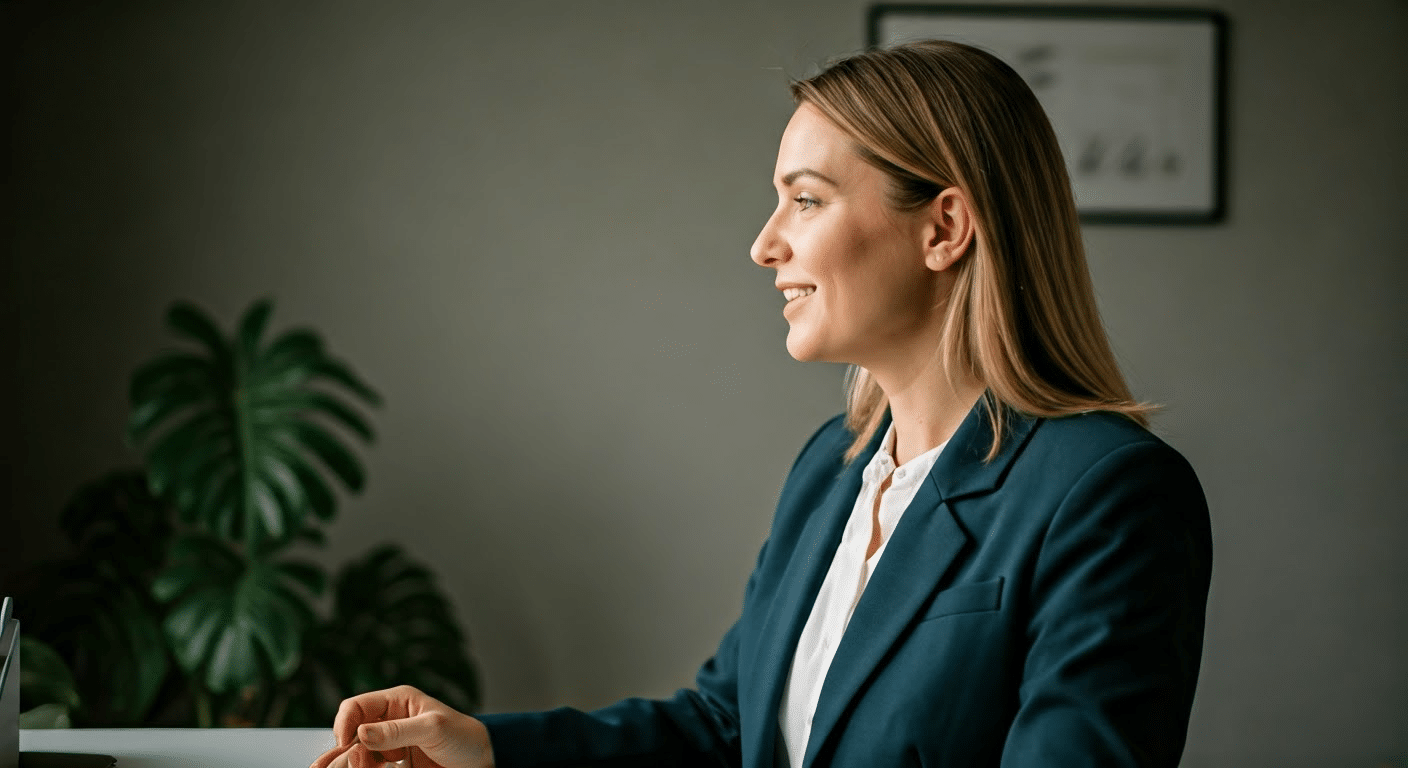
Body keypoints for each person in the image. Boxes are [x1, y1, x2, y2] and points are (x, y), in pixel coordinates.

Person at [310, 39, 1212, 768]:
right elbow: (724, 725)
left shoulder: (1108, 492)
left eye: (805, 201)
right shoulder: (836, 464)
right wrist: (490, 750)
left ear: (944, 229)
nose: (763, 244)